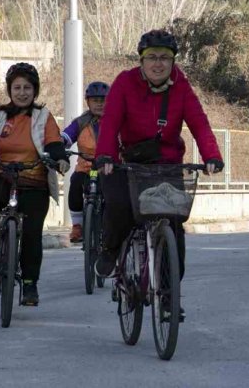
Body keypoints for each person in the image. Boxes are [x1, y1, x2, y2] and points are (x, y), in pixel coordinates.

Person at [93, 30, 224, 292]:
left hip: (167, 163)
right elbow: (109, 122)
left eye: (165, 58)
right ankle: (110, 249)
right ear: (141, 60)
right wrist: (105, 155)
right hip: (128, 162)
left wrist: (212, 155)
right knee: (119, 206)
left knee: (174, 222)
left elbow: (199, 123)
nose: (158, 63)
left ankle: (167, 292)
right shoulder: (124, 83)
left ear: (173, 61)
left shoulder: (182, 86)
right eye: (151, 57)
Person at [0, 63, 70, 307]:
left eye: (27, 88)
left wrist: (60, 159)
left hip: (34, 180)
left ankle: (30, 285)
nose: (22, 92)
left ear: (35, 90)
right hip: (2, 174)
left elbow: (53, 142)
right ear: (9, 90)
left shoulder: (44, 117)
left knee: (32, 235)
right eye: (17, 87)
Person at [61, 81, 110, 243]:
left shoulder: (117, 119)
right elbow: (67, 136)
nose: (99, 104)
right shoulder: (81, 122)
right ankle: (78, 226)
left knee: (115, 193)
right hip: (87, 167)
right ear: (88, 102)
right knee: (75, 183)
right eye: (95, 100)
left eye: (103, 100)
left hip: (109, 168)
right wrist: (59, 143)